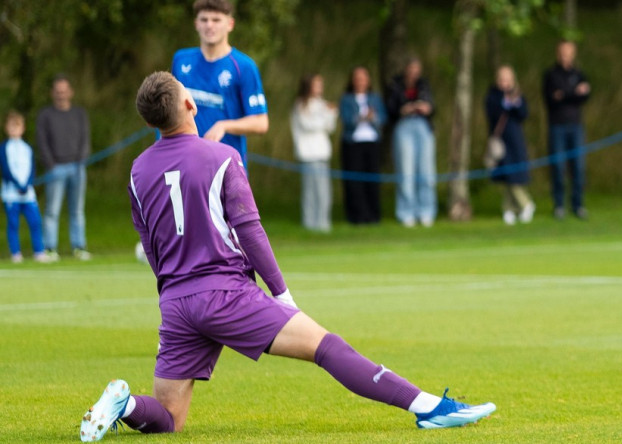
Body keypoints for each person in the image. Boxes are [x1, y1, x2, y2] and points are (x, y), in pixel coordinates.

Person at [78, 72, 495, 442]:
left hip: (176, 302)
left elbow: (149, 244)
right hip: (225, 294)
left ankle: (125, 403)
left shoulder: (136, 170)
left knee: (168, 418)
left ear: (149, 121)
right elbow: (250, 230)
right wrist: (281, 292)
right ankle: (430, 409)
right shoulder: (222, 157)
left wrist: (171, 296)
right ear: (189, 104)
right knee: (328, 348)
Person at [171, 0, 268, 166]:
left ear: (230, 24)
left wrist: (224, 125)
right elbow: (169, 109)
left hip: (225, 166)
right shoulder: (181, 60)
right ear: (196, 24)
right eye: (204, 19)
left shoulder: (243, 66)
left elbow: (261, 123)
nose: (209, 25)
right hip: (186, 164)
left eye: (216, 20)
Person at [36, 74, 91, 260]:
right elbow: (42, 141)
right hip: (55, 169)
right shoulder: (45, 115)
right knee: (52, 210)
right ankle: (50, 248)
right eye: (58, 91)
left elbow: (85, 139)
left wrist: (81, 161)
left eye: (64, 91)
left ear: (70, 92)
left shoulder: (79, 114)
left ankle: (79, 247)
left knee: (77, 210)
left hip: (77, 168)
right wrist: (50, 165)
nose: (61, 95)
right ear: (53, 93)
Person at [384, 57, 436, 227]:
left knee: (426, 171)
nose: (414, 73)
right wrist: (403, 110)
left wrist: (426, 108)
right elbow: (390, 109)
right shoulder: (395, 85)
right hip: (403, 126)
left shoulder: (424, 85)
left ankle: (426, 211)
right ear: (406, 69)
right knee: (406, 171)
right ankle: (406, 213)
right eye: (411, 69)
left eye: (416, 70)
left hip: (423, 126)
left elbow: (433, 108)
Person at [542, 40, 591, 219]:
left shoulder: (579, 73)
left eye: (569, 52)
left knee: (578, 167)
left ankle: (577, 205)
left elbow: (585, 95)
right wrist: (574, 92)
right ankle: (559, 205)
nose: (565, 56)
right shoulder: (551, 75)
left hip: (576, 126)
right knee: (558, 167)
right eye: (563, 52)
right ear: (558, 53)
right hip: (557, 126)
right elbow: (552, 98)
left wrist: (565, 94)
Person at [485, 65, 535, 225]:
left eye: (507, 79)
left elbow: (524, 114)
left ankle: (525, 204)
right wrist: (505, 103)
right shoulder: (492, 95)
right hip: (501, 142)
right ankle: (509, 209)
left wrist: (515, 103)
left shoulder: (518, 95)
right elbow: (491, 112)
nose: (504, 83)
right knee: (505, 176)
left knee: (516, 176)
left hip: (515, 140)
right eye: (502, 79)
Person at [2, 111, 52, 263]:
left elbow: (32, 169)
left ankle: (39, 251)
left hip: (28, 194)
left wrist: (27, 184)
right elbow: (5, 169)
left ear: (22, 128)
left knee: (35, 221)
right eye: (11, 126)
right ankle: (16, 253)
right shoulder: (4, 148)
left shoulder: (27, 148)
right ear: (6, 128)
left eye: (17, 126)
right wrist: (17, 184)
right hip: (11, 194)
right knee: (13, 224)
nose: (14, 129)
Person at [339, 67, 386, 225]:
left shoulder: (374, 98)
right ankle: (357, 216)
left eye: (363, 78)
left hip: (372, 143)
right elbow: (346, 120)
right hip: (353, 143)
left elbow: (382, 119)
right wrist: (360, 117)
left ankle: (373, 215)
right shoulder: (347, 99)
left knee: (372, 179)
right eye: (357, 78)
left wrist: (372, 118)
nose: (360, 81)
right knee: (355, 181)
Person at [291, 74, 337, 232]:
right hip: (308, 154)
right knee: (310, 191)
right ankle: (309, 223)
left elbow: (330, 127)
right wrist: (326, 116)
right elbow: (308, 125)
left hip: (322, 153)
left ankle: (323, 223)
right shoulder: (300, 105)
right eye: (316, 84)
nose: (320, 87)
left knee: (324, 191)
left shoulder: (323, 104)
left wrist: (331, 114)